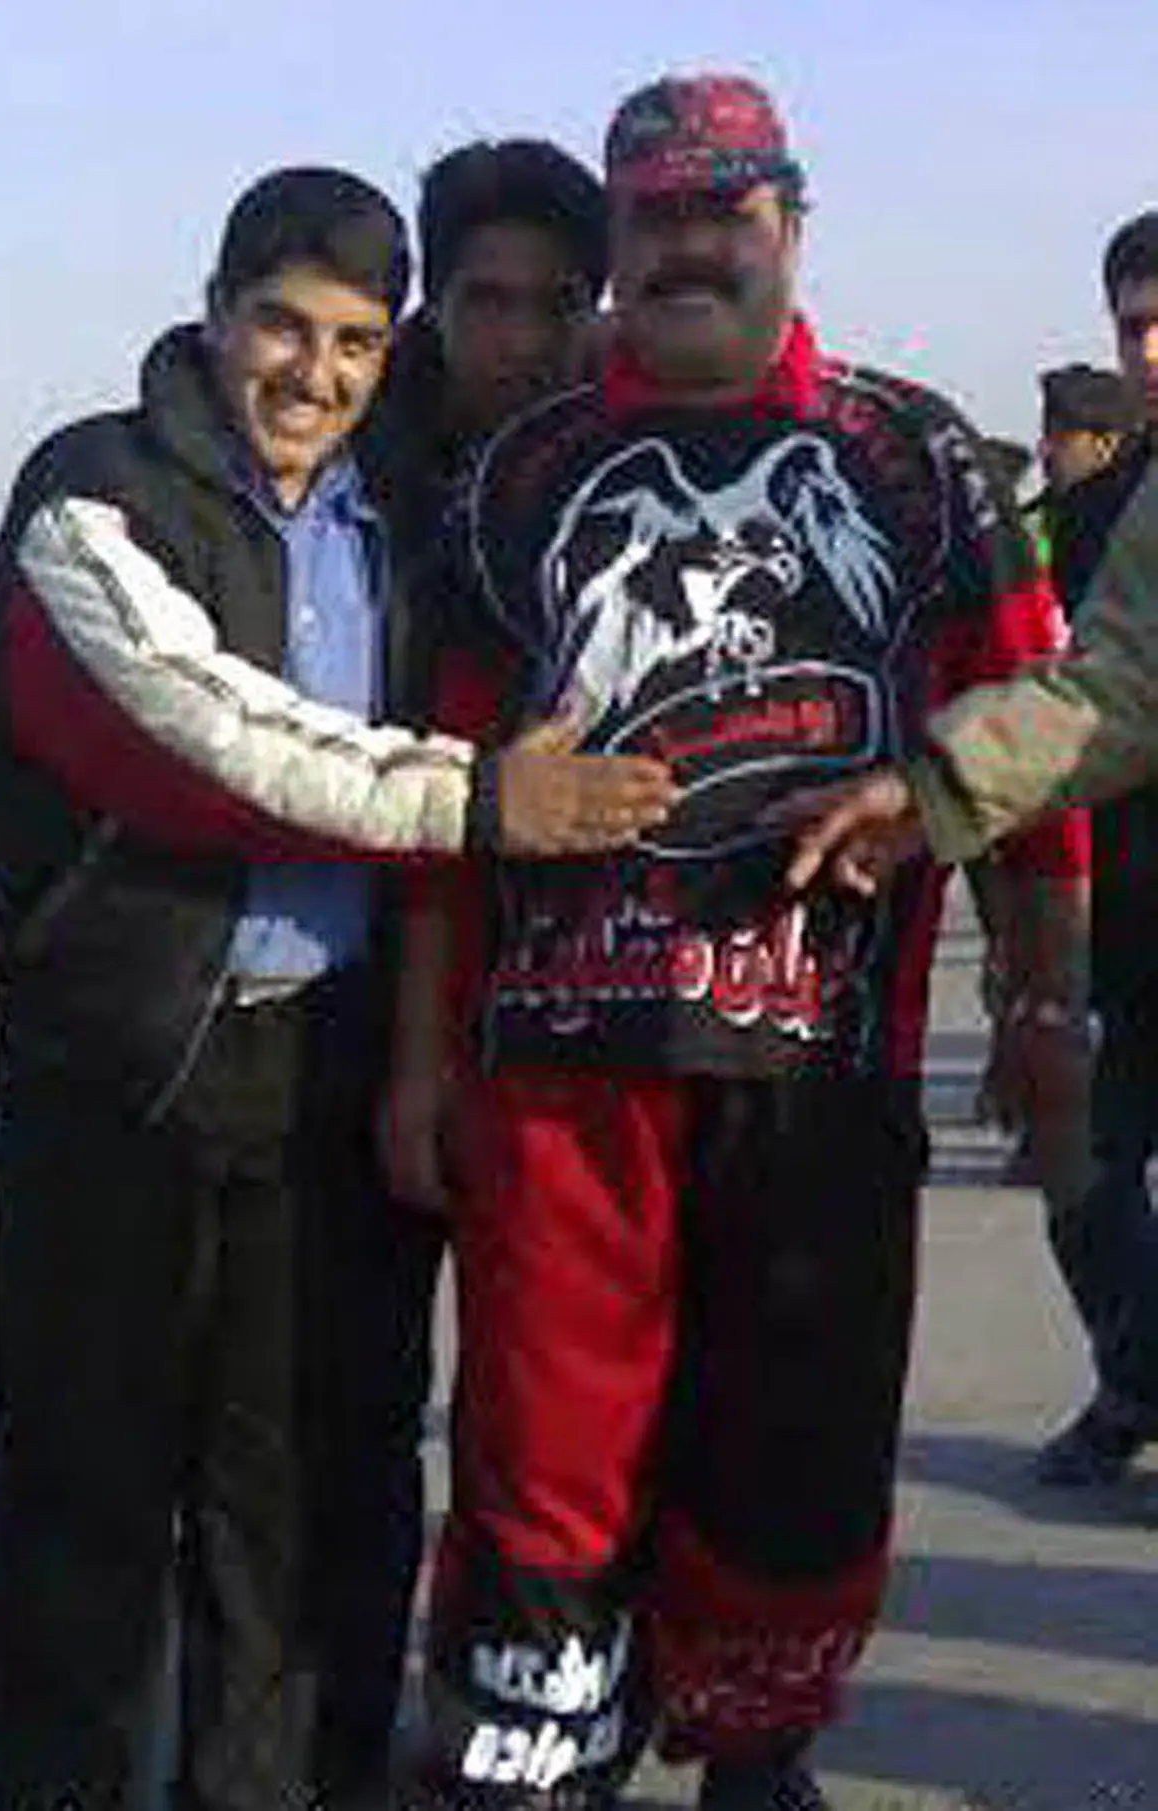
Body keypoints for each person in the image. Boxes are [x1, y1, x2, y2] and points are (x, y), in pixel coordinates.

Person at [389, 73, 1088, 1811]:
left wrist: (1042, 998)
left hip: (825, 1063)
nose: (693, 245)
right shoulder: (525, 470)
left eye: (729, 210)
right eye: (660, 215)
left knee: (799, 1445)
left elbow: (1035, 739)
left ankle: (756, 1748)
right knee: (547, 1446)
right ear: (619, 237)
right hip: (562, 1075)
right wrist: (418, 1058)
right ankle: (537, 1746)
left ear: (792, 222)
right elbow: (441, 803)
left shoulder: (917, 454)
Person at [0, 165, 674, 1811]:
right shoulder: (93, 493)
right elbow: (217, 739)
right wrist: (486, 797)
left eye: (356, 340)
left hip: (328, 1085)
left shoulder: (414, 517)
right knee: (87, 1502)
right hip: (122, 1069)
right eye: (284, 326)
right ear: (216, 313)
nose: (315, 372)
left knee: (294, 1514)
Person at [313, 138, 611, 1802]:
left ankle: (512, 1710)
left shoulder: (631, 463)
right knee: (350, 1409)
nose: (525, 339)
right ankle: (341, 1736)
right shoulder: (358, 475)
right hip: (362, 1001)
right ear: (434, 304)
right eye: (490, 301)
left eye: (558, 305)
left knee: (542, 1420)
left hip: (581, 1020)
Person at [789, 209, 1158, 1493]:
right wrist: (939, 790)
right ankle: (1136, 1373)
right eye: (1136, 325)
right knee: (1080, 1159)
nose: (1152, 352)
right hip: (1121, 892)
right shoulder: (1104, 512)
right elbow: (1105, 691)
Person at [1023, 362, 1138, 606]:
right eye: (1044, 437)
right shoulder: (1049, 517)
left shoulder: (1131, 522)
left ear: (1105, 444)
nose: (1044, 451)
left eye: (1059, 439)